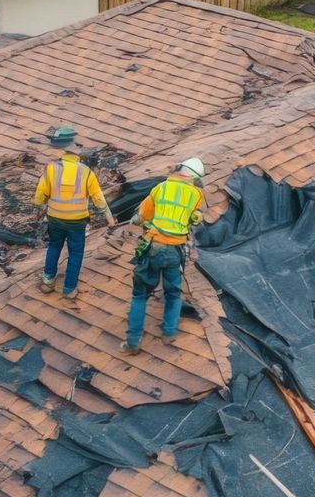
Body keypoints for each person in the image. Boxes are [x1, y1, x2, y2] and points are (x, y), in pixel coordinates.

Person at [123, 158, 205, 353]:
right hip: (175, 251)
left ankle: (132, 343)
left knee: (139, 295)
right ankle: (169, 333)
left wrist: (136, 219)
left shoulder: (160, 188)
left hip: (153, 247)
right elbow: (194, 218)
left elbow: (144, 214)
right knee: (173, 294)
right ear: (194, 178)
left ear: (180, 170)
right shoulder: (196, 194)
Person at [33, 126, 112, 300]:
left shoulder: (51, 168)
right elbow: (97, 197)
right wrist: (109, 216)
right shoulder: (86, 172)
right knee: (75, 253)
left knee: (54, 247)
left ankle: (48, 283)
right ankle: (69, 289)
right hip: (77, 222)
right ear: (77, 155)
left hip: (55, 219)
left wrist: (39, 206)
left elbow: (40, 194)